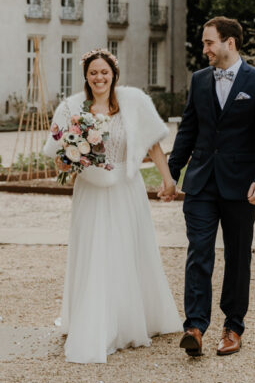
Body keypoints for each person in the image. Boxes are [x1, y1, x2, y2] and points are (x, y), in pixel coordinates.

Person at [43, 47, 181, 363]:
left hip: (126, 189)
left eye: (104, 72)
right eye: (93, 73)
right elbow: (59, 157)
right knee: (95, 252)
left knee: (125, 251)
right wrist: (70, 159)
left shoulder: (133, 103)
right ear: (86, 77)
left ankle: (129, 319)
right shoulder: (72, 108)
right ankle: (94, 321)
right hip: (90, 192)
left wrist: (168, 179)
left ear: (114, 74)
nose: (99, 77)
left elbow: (153, 144)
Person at [162, 16, 255, 357]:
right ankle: (195, 327)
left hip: (242, 186)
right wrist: (172, 174)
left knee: (237, 256)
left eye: (209, 42)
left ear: (230, 43)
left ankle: (233, 326)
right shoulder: (199, 81)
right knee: (198, 252)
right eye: (204, 43)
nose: (205, 50)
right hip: (200, 183)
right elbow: (187, 132)